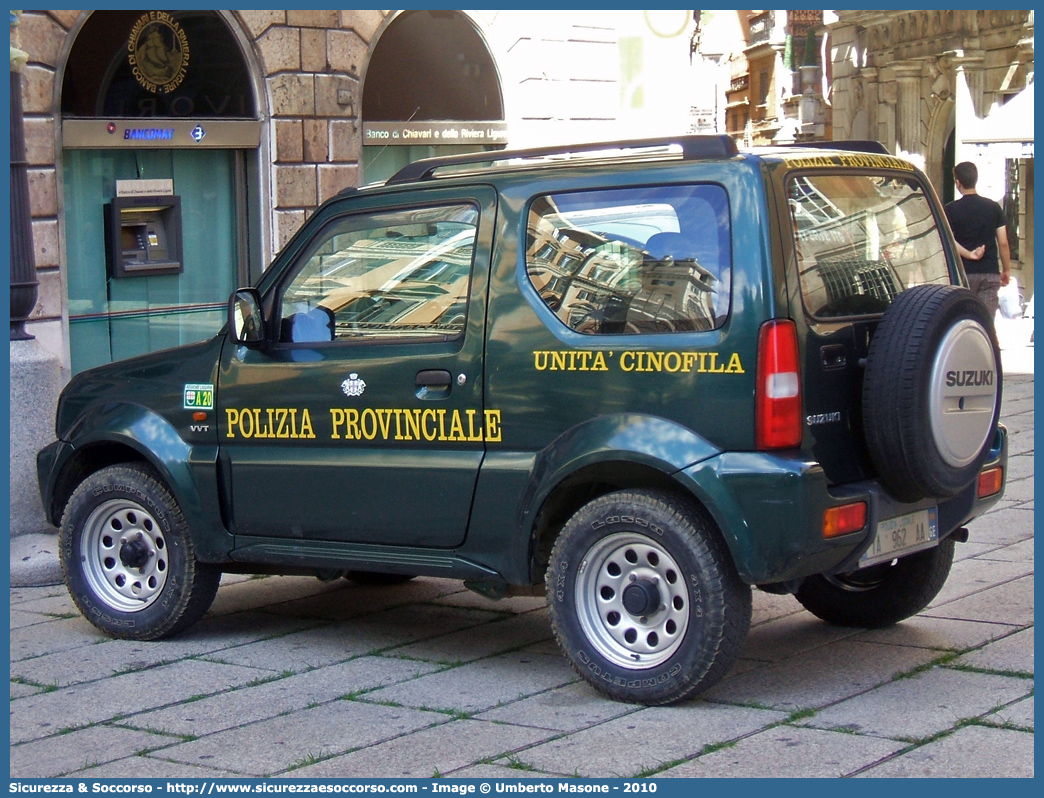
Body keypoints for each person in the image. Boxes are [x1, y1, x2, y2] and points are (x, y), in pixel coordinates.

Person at [944, 161, 1011, 317]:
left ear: (957, 182)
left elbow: (948, 241)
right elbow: (1003, 242)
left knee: (964, 319)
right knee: (986, 320)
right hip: (990, 272)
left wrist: (968, 254)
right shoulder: (994, 207)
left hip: (963, 274)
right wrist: (1006, 270)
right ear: (976, 180)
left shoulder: (950, 209)